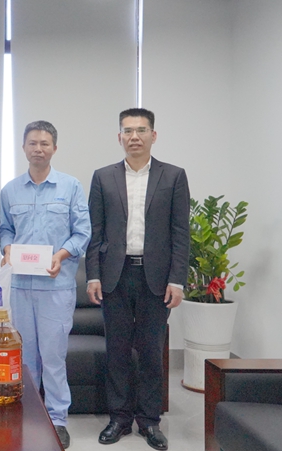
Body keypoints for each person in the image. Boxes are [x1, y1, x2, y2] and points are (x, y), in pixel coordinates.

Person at [86, 108, 190, 451]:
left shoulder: (173, 176)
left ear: (153, 135)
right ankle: (119, 418)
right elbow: (95, 232)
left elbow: (180, 233)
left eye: (141, 130)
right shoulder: (103, 177)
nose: (134, 137)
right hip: (115, 275)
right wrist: (93, 275)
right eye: (128, 131)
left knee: (151, 352)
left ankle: (149, 421)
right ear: (119, 137)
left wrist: (177, 280)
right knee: (116, 351)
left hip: (155, 277)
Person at [0, 120, 91, 449]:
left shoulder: (71, 187)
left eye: (44, 143)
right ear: (23, 148)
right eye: (32, 143)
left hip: (56, 287)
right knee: (24, 358)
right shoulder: (10, 190)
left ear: (54, 148)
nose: (38, 149)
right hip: (20, 287)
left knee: (53, 357)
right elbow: (5, 229)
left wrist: (61, 255)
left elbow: (83, 232)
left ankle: (57, 419)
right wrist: (7, 249)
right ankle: (29, 415)